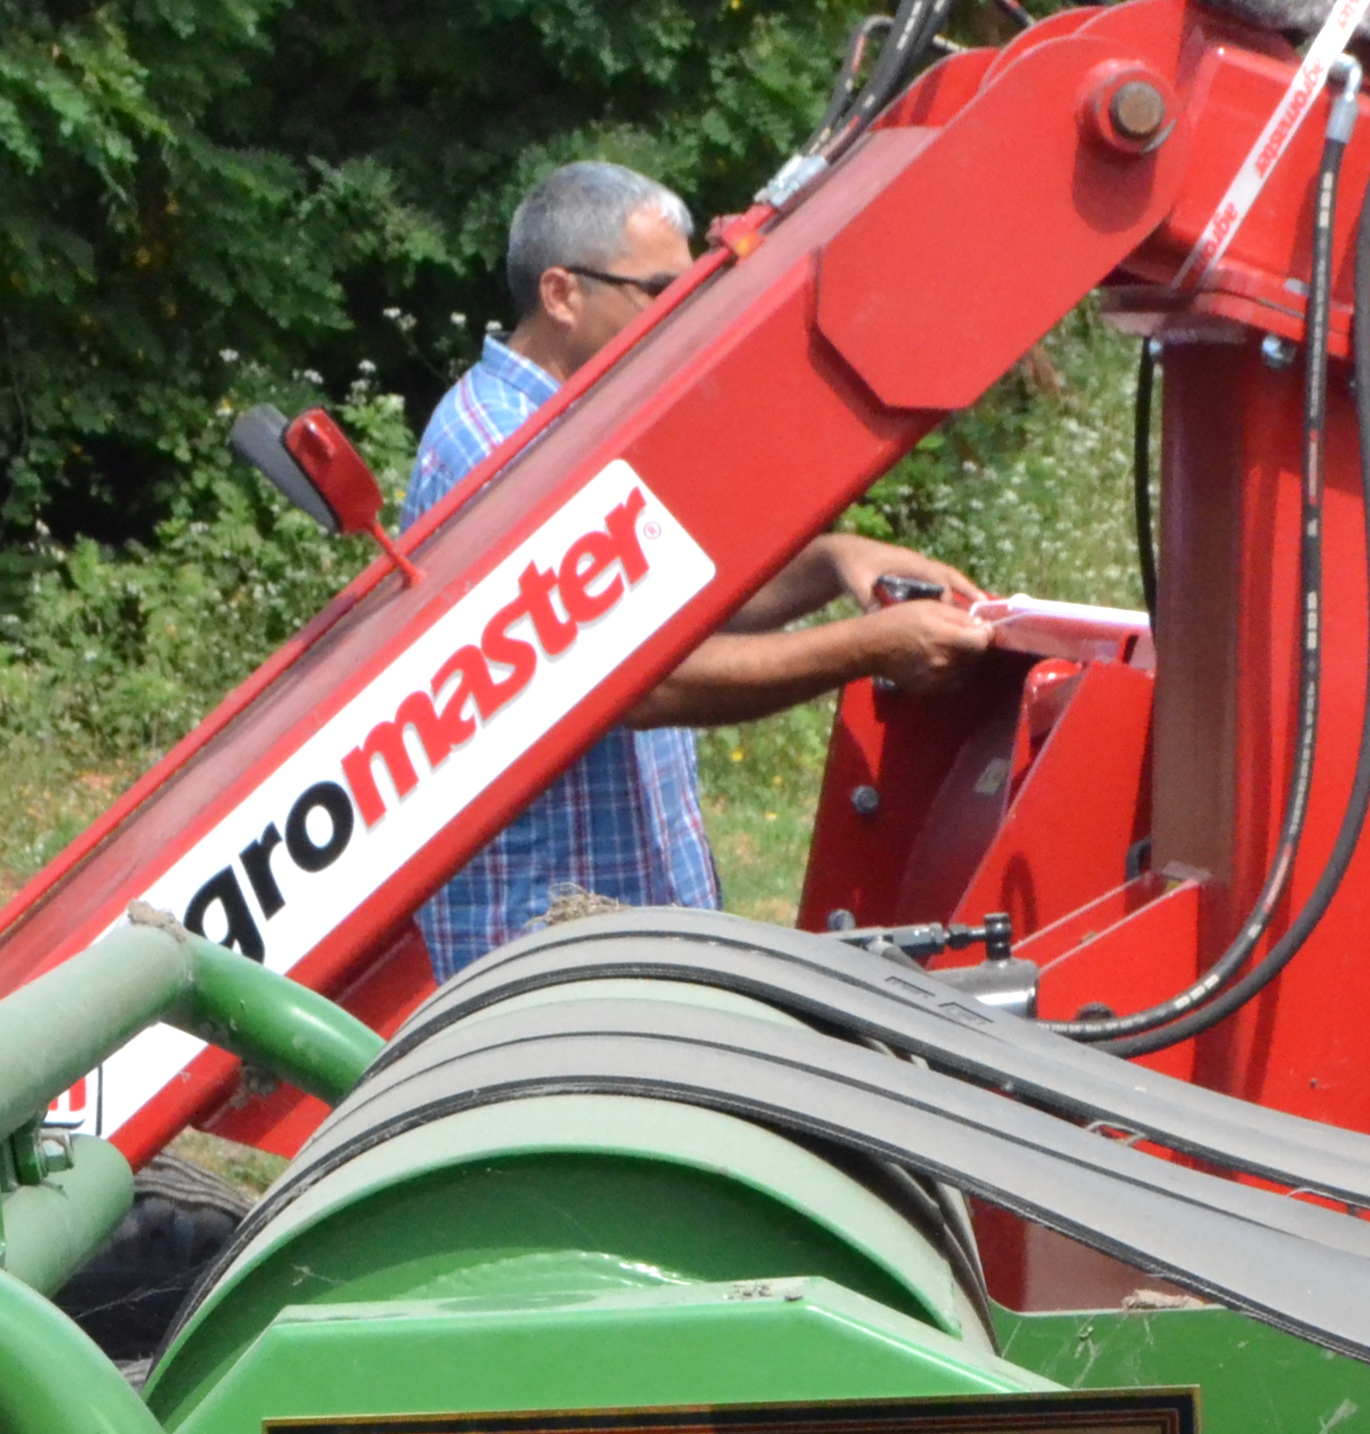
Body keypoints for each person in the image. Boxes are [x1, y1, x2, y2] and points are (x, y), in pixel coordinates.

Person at [411, 158, 992, 974]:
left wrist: (830, 560)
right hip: (553, 949)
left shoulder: (577, 426)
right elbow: (640, 680)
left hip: (621, 922)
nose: (683, 316)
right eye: (660, 292)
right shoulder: (502, 454)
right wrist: (868, 650)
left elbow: (677, 606)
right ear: (561, 294)